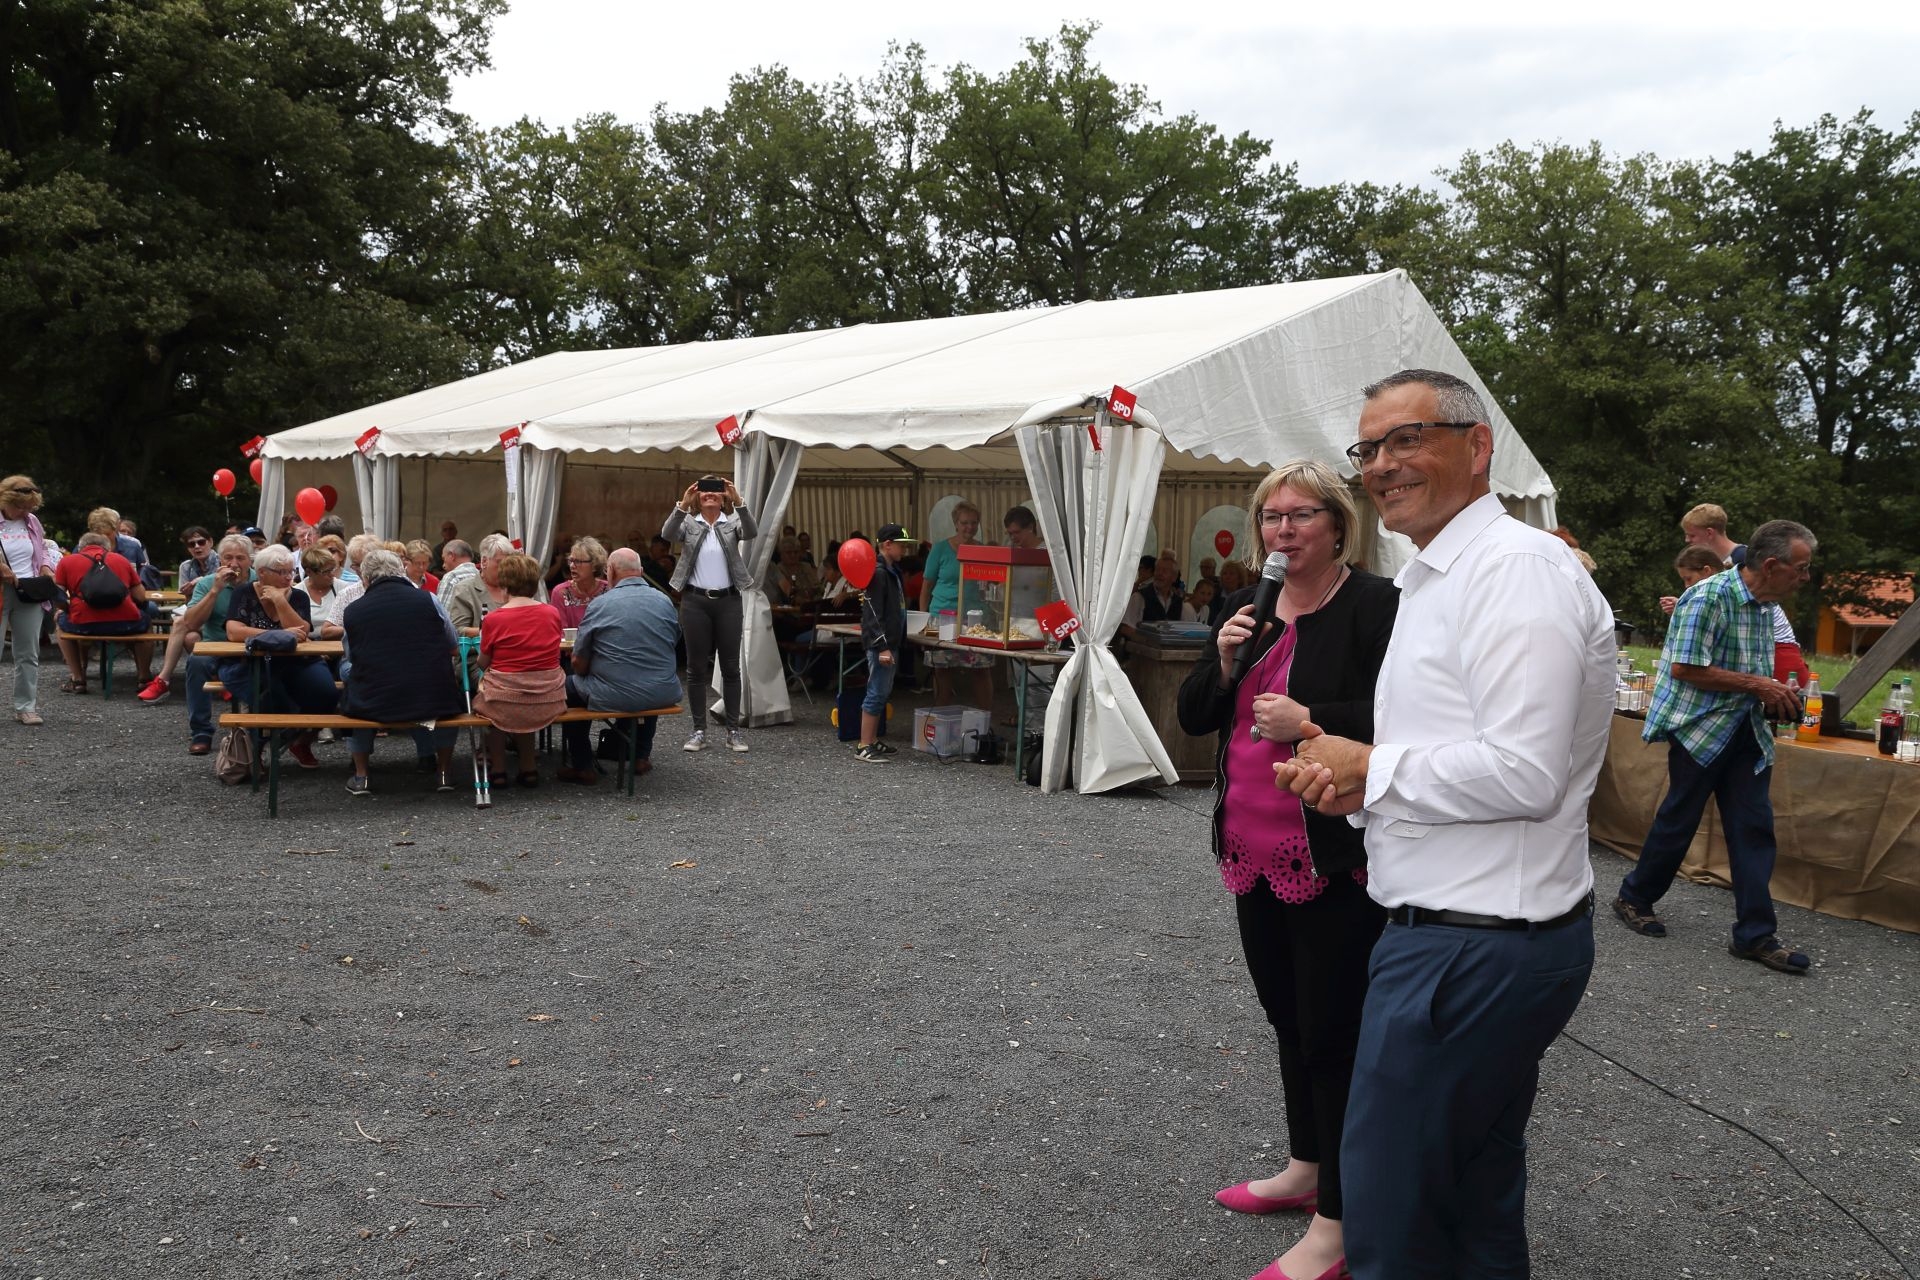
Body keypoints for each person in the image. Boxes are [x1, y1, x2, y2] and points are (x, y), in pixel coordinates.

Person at [1273, 369, 1615, 1280]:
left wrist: (1372, 768)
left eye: (1407, 438)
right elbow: (1466, 751)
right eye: (1369, 448)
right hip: (1466, 938)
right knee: (1469, 1200)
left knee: (1396, 1217)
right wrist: (1364, 789)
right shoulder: (1441, 574)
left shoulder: (1513, 570)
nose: (1382, 464)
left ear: (1478, 445)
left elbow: (1526, 772)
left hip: (1473, 949)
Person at [1176, 459, 1398, 1280]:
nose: (1284, 530)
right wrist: (1224, 661)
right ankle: (1306, 1167)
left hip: (1332, 854)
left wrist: (1310, 721)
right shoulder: (1248, 605)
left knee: (1334, 1034)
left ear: (1339, 525)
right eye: (1273, 516)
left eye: (1302, 515)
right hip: (1251, 850)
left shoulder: (1376, 606)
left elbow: (1406, 718)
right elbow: (1195, 716)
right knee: (1287, 1018)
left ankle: (1339, 1221)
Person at [1612, 520, 1817, 975]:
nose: (1806, 577)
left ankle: (1755, 935)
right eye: (1801, 568)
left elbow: (1754, 669)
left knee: (1753, 827)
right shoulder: (1707, 597)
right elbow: (1685, 668)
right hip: (1700, 727)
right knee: (1679, 819)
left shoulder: (1766, 605)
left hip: (1745, 727)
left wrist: (1775, 694)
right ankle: (1634, 897)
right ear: (1771, 565)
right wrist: (1758, 685)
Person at [338, 549, 463, 795]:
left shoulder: (353, 610)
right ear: (401, 571)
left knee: (349, 691)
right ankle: (444, 772)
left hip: (374, 700)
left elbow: (352, 655)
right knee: (446, 694)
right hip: (432, 698)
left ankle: (362, 776)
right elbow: (453, 645)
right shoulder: (429, 600)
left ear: (365, 578)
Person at [557, 548, 682, 785]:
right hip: (663, 691)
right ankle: (641, 755)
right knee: (646, 681)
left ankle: (582, 764)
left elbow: (579, 662)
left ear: (611, 572)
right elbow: (673, 640)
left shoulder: (600, 605)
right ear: (641, 572)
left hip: (616, 693)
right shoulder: (665, 601)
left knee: (570, 686)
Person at [218, 543, 336, 768]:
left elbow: (302, 632)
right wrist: (279, 634)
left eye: (291, 571)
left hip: (296, 661)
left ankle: (300, 740)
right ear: (262, 572)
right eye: (281, 572)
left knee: (327, 693)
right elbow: (233, 632)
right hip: (254, 662)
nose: (288, 577)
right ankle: (257, 749)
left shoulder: (298, 596)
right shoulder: (244, 593)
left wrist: (280, 601)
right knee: (267, 693)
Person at [663, 475, 758, 754]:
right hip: (695, 601)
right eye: (704, 491)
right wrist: (683, 504)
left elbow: (751, 531)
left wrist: (739, 502)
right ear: (697, 496)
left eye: (716, 491)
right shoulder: (689, 523)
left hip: (728, 600)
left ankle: (733, 731)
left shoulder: (732, 522)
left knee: (731, 667)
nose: (710, 495)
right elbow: (667, 533)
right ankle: (699, 731)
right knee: (695, 669)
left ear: (724, 496)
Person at [1669, 502, 1807, 688]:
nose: (1687, 540)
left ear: (1709, 533)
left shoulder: (1743, 559)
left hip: (1776, 644)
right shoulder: (1716, 575)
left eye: (1692, 535)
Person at [472, 552, 566, 787]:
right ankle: (528, 767)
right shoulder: (551, 613)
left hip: (505, 701)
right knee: (523, 698)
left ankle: (499, 769)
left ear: (504, 583)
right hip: (548, 699)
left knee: (494, 704)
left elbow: (483, 663)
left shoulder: (494, 619)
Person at [174, 534, 255, 753]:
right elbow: (191, 623)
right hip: (216, 646)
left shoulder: (261, 581)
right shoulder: (208, 583)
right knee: (196, 662)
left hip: (252, 647)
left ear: (250, 560)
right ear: (220, 560)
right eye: (228, 558)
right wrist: (214, 591)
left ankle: (259, 726)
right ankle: (201, 731)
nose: (234, 564)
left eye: (240, 558)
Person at [54, 531, 152, 693]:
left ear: (81, 547)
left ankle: (78, 679)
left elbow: (58, 597)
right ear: (107, 547)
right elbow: (140, 596)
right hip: (125, 623)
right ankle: (144, 677)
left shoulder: (67, 562)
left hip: (82, 624)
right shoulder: (121, 560)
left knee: (61, 626)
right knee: (146, 623)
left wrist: (67, 610)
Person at [918, 503, 995, 709]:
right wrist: (924, 619)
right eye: (964, 523)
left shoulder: (983, 550)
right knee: (942, 670)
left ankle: (983, 718)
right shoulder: (940, 549)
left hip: (975, 618)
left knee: (981, 668)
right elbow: (926, 586)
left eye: (974, 523)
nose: (969, 527)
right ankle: (941, 717)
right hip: (942, 616)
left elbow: (991, 583)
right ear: (955, 523)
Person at [0, 475, 58, 725]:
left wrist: (45, 566)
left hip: (29, 589)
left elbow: (42, 548)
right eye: (21, 507)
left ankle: (26, 707)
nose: (25, 512)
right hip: (2, 590)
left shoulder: (32, 521)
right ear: (6, 500)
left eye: (29, 507)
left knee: (28, 653)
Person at [853, 524, 910, 763]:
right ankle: (864, 744)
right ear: (888, 545)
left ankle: (872, 739)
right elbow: (874, 613)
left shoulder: (889, 571)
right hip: (881, 644)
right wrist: (883, 645)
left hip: (889, 641)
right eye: (902, 546)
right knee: (876, 692)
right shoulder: (878, 573)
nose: (905, 551)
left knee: (882, 690)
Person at [549, 535, 610, 630]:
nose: (572, 566)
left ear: (594, 565)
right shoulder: (561, 593)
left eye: (578, 561)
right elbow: (561, 633)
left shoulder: (609, 590)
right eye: (571, 561)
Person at [763, 535, 820, 607]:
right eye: (788, 552)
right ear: (781, 554)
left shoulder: (806, 566)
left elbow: (816, 586)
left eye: (796, 552)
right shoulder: (778, 569)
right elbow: (786, 592)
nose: (793, 555)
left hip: (811, 604)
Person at [438, 538, 478, 604]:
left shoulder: (451, 578)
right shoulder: (482, 576)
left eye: (444, 559)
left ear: (451, 556)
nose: (443, 565)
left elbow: (442, 609)